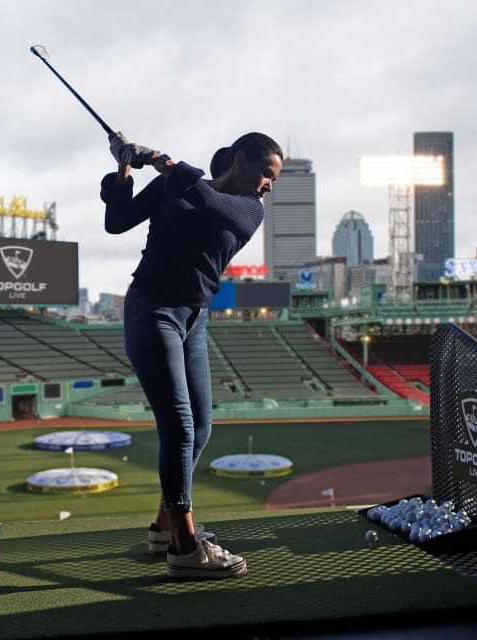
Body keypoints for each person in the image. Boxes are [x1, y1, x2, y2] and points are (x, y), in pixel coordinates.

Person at [100, 131, 284, 579]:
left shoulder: (247, 211)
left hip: (194, 319)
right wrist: (124, 168)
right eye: (266, 173)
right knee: (179, 425)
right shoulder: (174, 185)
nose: (269, 185)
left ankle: (165, 526)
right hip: (152, 310)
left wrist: (161, 160)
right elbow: (117, 222)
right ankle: (185, 548)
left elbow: (205, 200)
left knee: (200, 427)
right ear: (239, 161)